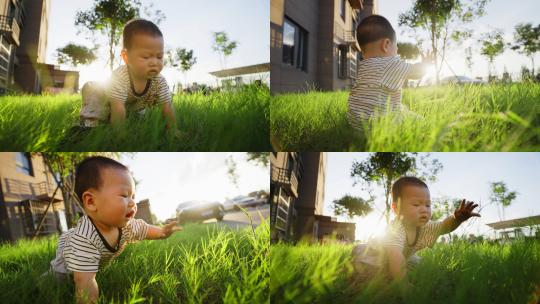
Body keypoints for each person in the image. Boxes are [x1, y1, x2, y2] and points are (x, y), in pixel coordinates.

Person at [46, 156, 182, 304]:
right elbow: (85, 282)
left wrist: (162, 231)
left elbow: (145, 229)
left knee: (91, 267)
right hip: (66, 260)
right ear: (91, 202)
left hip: (93, 259)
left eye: (133, 196)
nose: (132, 203)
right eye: (124, 195)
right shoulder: (83, 239)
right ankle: (44, 281)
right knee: (57, 281)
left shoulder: (126, 226)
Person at [351, 176, 480, 287]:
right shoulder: (395, 229)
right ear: (396, 208)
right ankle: (357, 255)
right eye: (416, 205)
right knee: (372, 272)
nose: (424, 209)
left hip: (404, 256)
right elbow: (395, 255)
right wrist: (404, 287)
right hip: (376, 254)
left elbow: (443, 227)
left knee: (423, 267)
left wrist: (457, 219)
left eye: (428, 205)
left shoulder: (425, 227)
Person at [78, 19, 179, 136]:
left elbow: (167, 106)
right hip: (109, 101)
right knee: (93, 89)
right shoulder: (120, 76)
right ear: (126, 57)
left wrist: (173, 130)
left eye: (159, 56)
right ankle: (90, 124)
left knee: (139, 119)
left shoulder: (159, 81)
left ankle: (126, 118)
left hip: (132, 107)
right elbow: (118, 107)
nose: (154, 62)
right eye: (146, 57)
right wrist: (119, 134)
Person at [347, 15, 432, 131]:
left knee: (401, 107)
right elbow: (417, 73)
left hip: (355, 122)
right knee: (418, 120)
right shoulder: (390, 63)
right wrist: (426, 63)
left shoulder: (363, 66)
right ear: (386, 45)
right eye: (396, 47)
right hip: (382, 124)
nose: (397, 51)